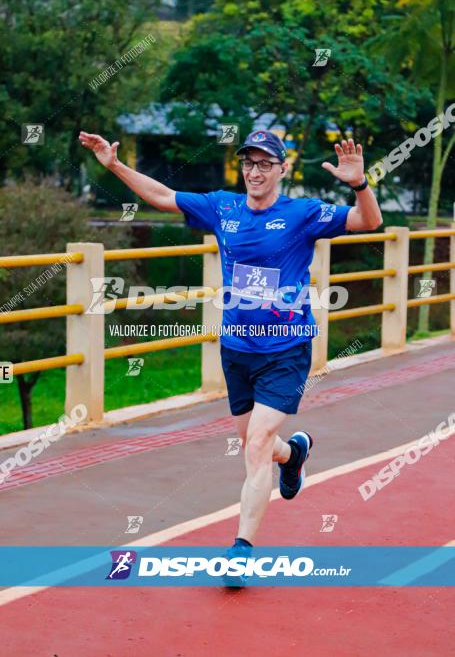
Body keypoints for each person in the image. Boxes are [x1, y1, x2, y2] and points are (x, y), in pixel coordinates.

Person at [79, 128, 382, 584]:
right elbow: (163, 196)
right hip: (237, 349)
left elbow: (369, 223)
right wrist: (115, 166)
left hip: (286, 348)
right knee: (256, 444)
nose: (254, 171)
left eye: (265, 163)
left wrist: (359, 185)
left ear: (283, 169)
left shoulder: (303, 213)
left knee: (255, 446)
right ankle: (294, 454)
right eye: (248, 163)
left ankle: (242, 550)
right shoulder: (224, 207)